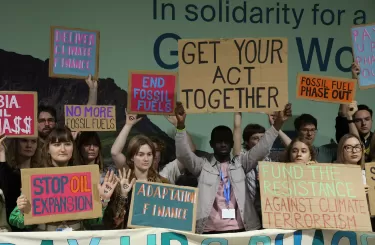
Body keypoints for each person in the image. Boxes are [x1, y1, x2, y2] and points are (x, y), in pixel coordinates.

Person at [175, 101, 292, 234]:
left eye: (226, 140)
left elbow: (262, 147)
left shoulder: (241, 163)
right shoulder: (202, 166)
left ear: (232, 144)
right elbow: (183, 154)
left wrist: (278, 124)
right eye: (219, 141)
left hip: (242, 230)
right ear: (211, 144)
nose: (223, 144)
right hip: (208, 231)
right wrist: (180, 126)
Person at [9, 127, 117, 231]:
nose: (63, 149)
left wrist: (103, 201)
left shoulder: (83, 178)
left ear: (73, 148)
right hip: (46, 238)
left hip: (76, 238)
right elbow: (15, 221)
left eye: (67, 144)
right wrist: (22, 210)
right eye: (56, 144)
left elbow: (93, 222)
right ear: (48, 149)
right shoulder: (37, 179)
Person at [104, 135, 169, 229]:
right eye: (141, 154)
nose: (146, 159)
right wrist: (123, 195)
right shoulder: (121, 183)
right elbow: (114, 222)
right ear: (131, 157)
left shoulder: (163, 183)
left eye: (149, 154)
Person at [38, 75, 98, 146]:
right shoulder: (29, 143)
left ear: (56, 123)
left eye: (50, 120)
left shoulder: (66, 138)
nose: (47, 124)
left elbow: (88, 114)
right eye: (42, 121)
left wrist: (93, 90)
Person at [0, 135, 41, 231]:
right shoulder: (8, 173)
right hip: (12, 232)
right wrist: (1, 153)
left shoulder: (41, 173)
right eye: (24, 141)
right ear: (15, 143)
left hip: (38, 230)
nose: (29, 145)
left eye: (33, 141)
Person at [336, 62, 373, 162]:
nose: (364, 123)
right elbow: (342, 113)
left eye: (367, 119)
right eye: (358, 120)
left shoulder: (374, 139)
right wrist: (353, 78)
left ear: (372, 121)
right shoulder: (345, 135)